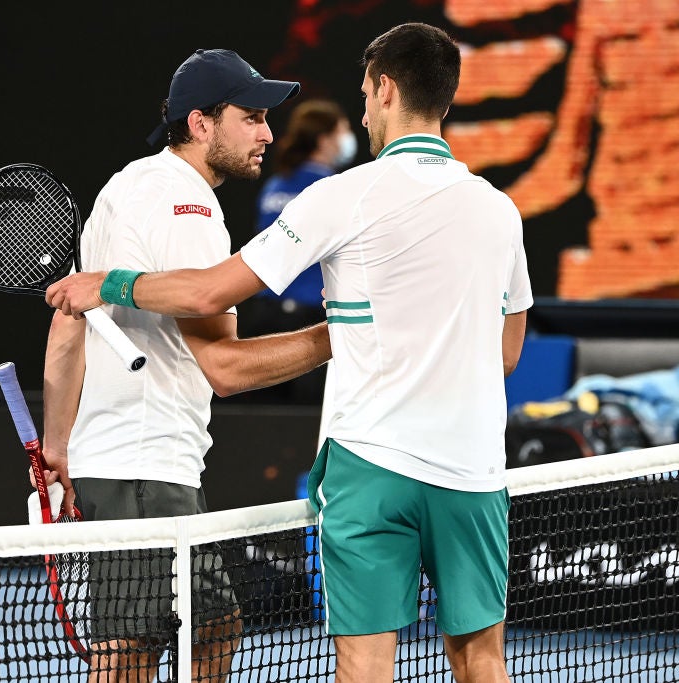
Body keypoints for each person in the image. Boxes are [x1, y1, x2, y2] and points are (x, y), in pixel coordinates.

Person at [47, 22, 531, 683]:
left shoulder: (329, 194)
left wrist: (106, 295)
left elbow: (164, 304)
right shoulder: (500, 211)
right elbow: (504, 354)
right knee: (481, 659)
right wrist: (373, 337)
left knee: (294, 645)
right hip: (465, 470)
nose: (269, 134)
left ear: (386, 90)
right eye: (252, 118)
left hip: (357, 468)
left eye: (364, 93)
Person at [40, 48, 332, 683]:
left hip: (125, 459)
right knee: (131, 652)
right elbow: (223, 368)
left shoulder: (128, 184)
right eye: (251, 116)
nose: (267, 133)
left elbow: (68, 327)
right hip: (145, 466)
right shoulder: (186, 203)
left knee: (212, 625)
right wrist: (340, 337)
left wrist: (59, 448)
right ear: (202, 123)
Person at [240, 99, 357, 403]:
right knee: (305, 425)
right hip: (311, 324)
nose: (348, 138)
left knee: (258, 424)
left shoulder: (275, 186)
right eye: (343, 130)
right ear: (325, 138)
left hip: (264, 318)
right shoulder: (333, 188)